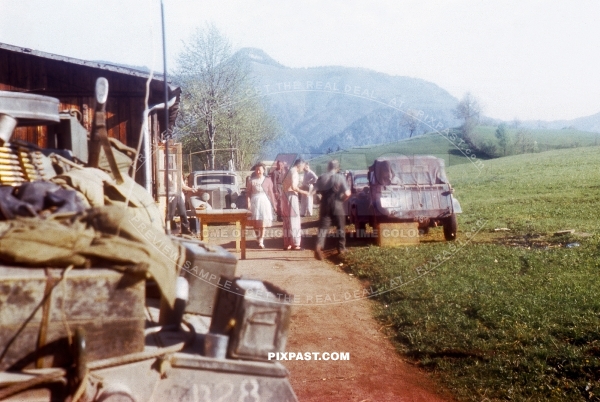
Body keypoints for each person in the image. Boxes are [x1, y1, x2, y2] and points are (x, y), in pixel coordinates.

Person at [314, 159, 351, 260]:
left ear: (328, 167)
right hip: (337, 203)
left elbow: (315, 192)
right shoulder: (340, 177)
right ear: (337, 167)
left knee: (323, 228)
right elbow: (348, 193)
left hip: (325, 203)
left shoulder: (322, 177)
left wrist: (320, 200)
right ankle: (341, 248)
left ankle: (318, 246)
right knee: (340, 227)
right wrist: (341, 200)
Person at [246, 163, 276, 248]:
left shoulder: (268, 180)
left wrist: (273, 204)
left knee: (262, 222)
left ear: (263, 170)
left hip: (264, 201)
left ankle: (261, 240)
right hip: (255, 201)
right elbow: (248, 193)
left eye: (260, 169)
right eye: (256, 170)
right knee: (256, 223)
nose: (258, 171)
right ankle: (258, 237)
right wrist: (248, 203)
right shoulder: (251, 181)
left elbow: (271, 193)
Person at [281, 158, 309, 250]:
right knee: (294, 220)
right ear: (299, 165)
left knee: (287, 220)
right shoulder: (295, 172)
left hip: (284, 196)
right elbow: (293, 186)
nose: (303, 169)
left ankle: (287, 243)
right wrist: (304, 192)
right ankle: (295, 243)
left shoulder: (287, 171)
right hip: (291, 196)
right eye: (303, 166)